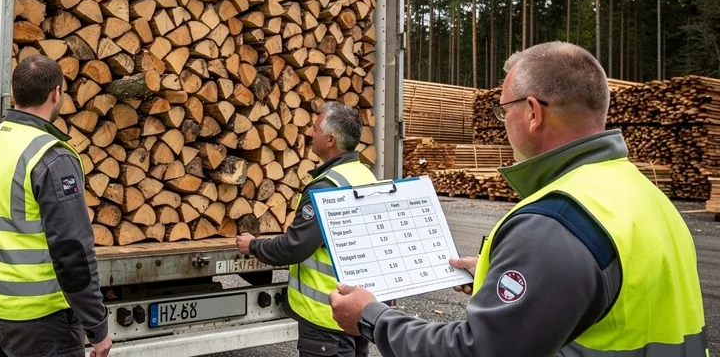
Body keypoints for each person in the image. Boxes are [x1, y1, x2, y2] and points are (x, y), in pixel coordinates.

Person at [329, 41, 708, 356]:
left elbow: (477, 351)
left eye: (502, 110)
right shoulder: (645, 194)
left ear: (531, 113)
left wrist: (372, 318)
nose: (502, 122)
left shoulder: (554, 222)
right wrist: (502, 274)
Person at [0, 55, 111, 357]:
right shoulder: (51, 157)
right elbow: (72, 254)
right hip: (40, 322)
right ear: (56, 93)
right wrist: (98, 328)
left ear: (14, 94)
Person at [236, 101, 377, 357]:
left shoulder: (326, 188)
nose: (310, 133)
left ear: (331, 140)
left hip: (326, 317)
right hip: (357, 311)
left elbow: (295, 247)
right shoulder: (366, 176)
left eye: (315, 129)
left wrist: (253, 245)